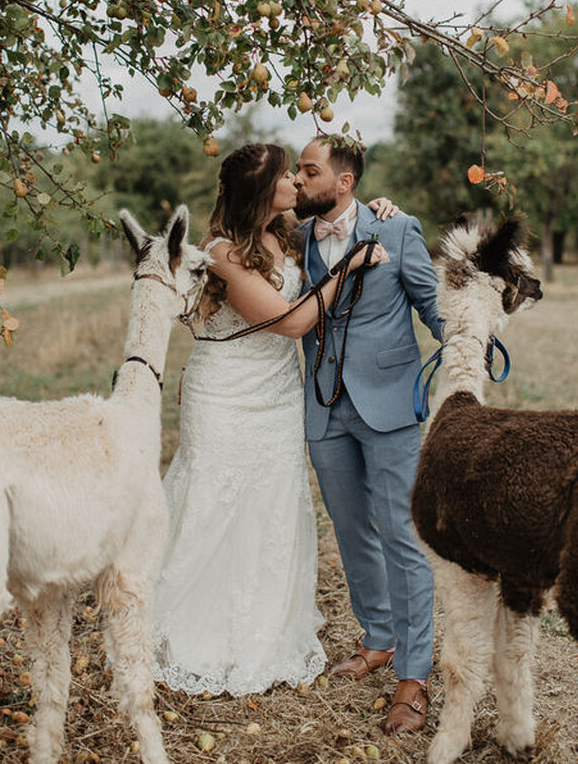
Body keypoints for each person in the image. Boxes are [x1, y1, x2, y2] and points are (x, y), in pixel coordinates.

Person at [151, 143, 390, 697]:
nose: (295, 181)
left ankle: (265, 628)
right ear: (264, 191)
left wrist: (377, 208)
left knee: (273, 505)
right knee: (216, 502)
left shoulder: (285, 233)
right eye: (287, 175)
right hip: (227, 393)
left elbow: (336, 217)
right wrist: (348, 268)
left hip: (278, 393)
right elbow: (288, 321)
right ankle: (198, 633)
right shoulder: (220, 252)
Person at [294, 136, 443, 736]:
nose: (299, 182)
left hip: (390, 405)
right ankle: (378, 637)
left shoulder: (399, 229)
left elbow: (432, 306)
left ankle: (414, 674)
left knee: (403, 537)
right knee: (352, 532)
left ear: (345, 181)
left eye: (310, 172)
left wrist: (469, 340)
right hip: (325, 408)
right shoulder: (296, 236)